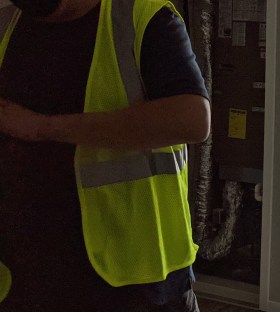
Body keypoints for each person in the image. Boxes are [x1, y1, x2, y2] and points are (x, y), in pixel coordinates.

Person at [0, 0, 209, 310]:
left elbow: (192, 120)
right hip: (28, 276)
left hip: (135, 282)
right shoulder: (7, 22)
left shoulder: (143, 17)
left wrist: (44, 127)